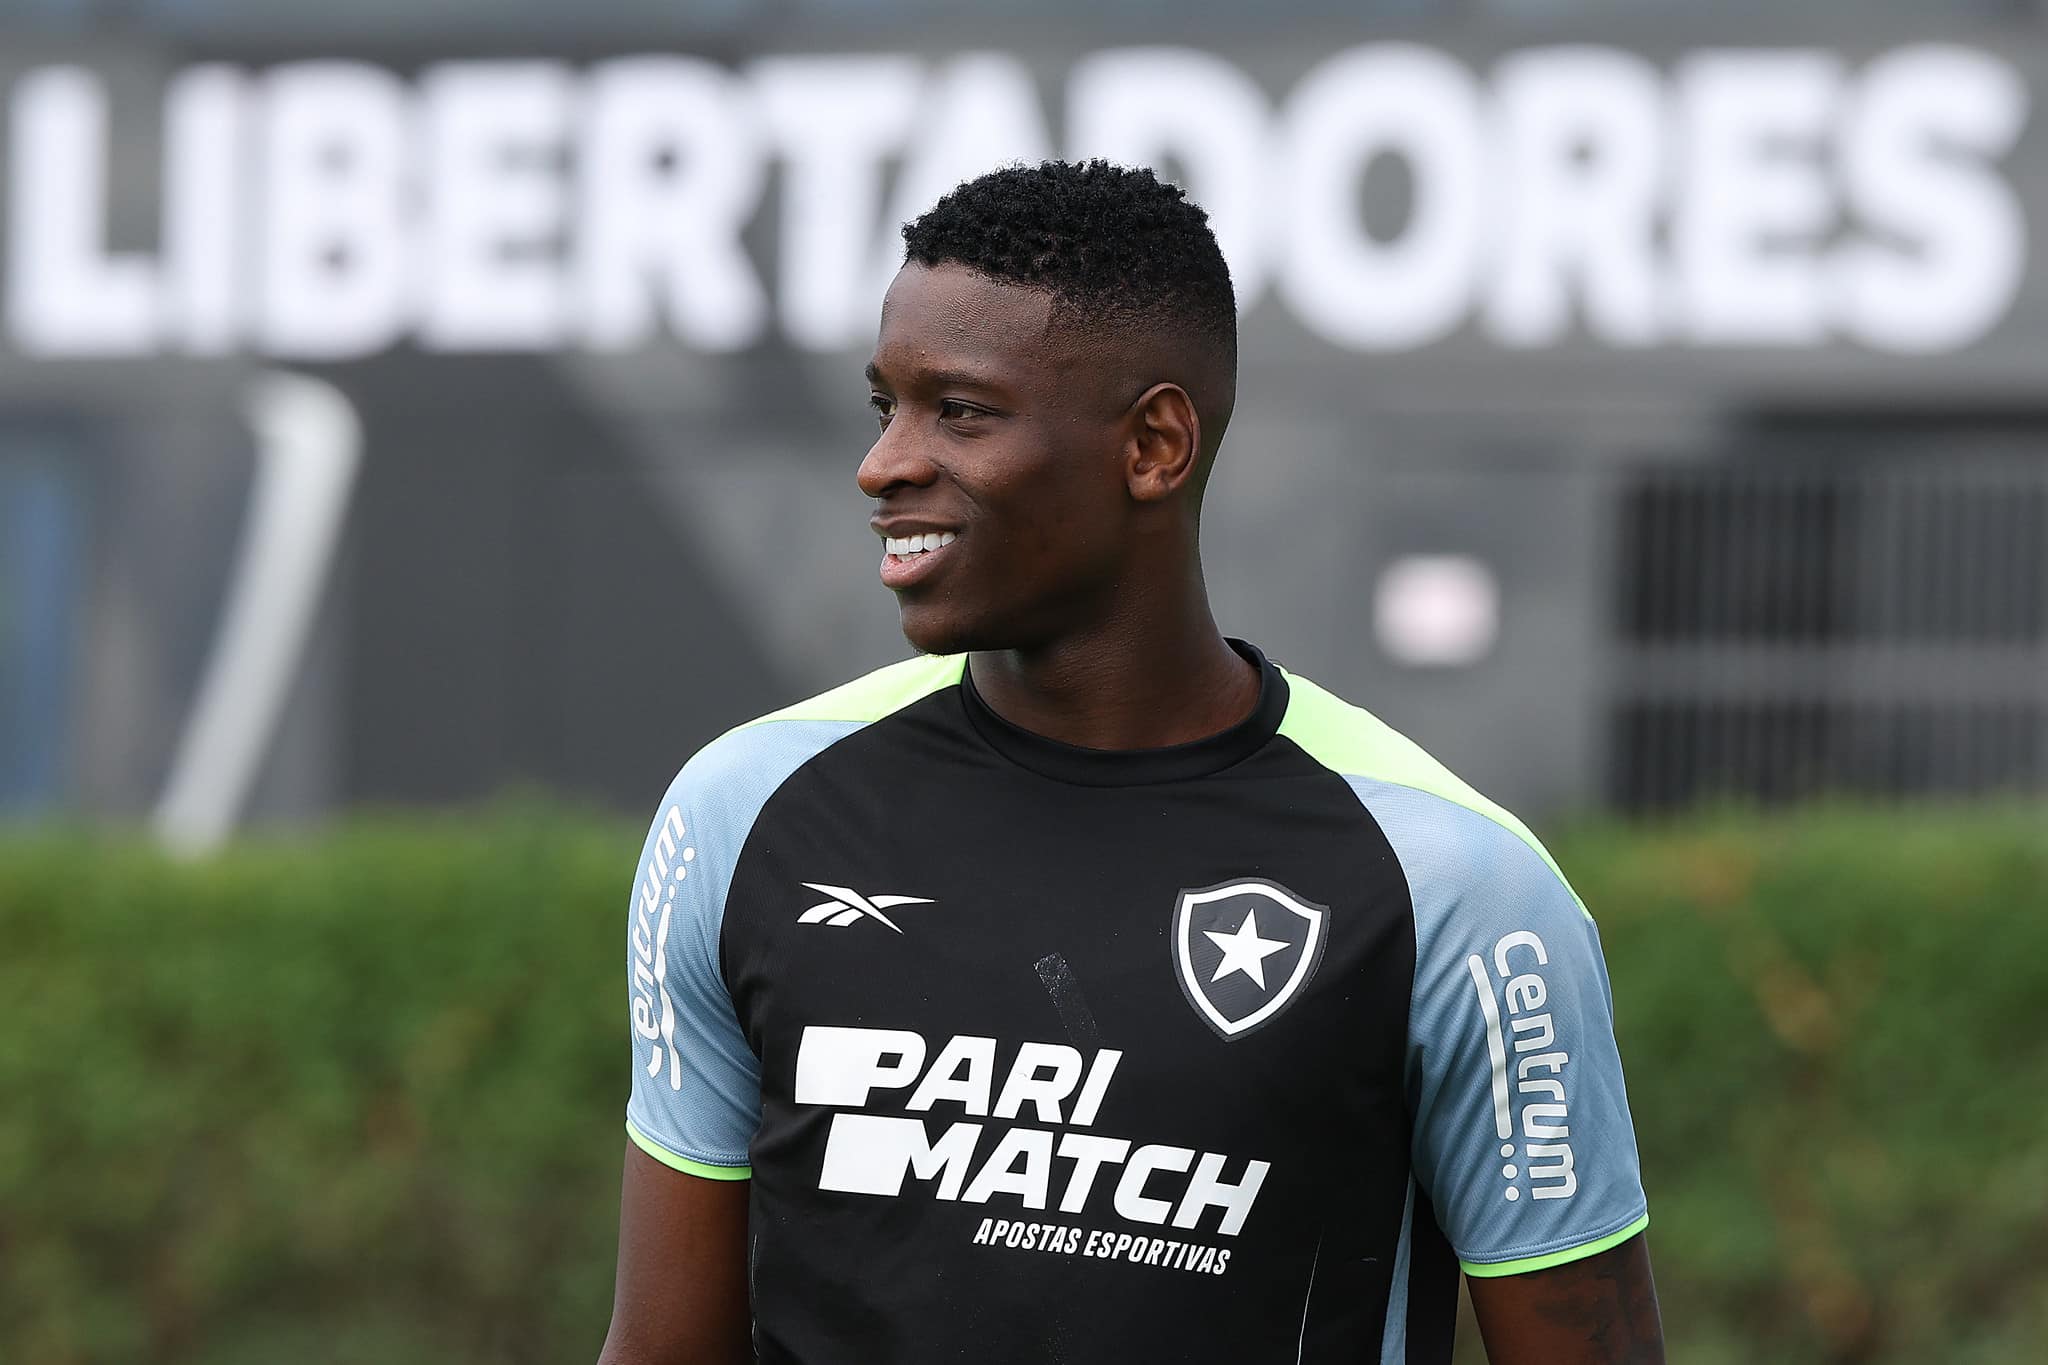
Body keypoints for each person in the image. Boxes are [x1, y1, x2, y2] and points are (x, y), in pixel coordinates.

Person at [597, 160, 1662, 1365]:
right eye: (883, 404)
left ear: (1153, 445)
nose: (883, 463)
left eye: (959, 411)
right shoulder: (745, 814)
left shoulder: (1454, 887)